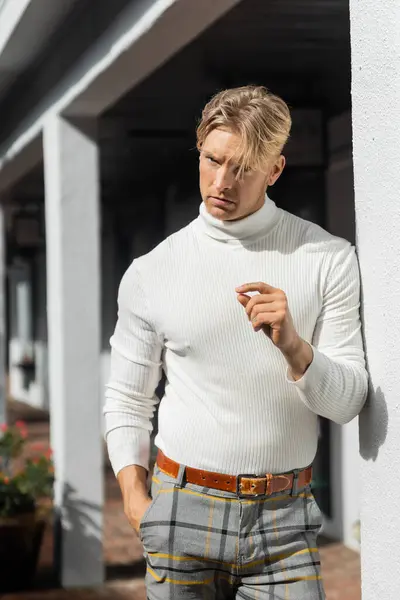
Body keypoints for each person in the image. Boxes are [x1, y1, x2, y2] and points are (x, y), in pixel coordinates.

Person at [104, 85, 368, 599]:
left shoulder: (326, 258)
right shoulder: (153, 270)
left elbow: (349, 402)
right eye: (212, 160)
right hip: (181, 509)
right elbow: (127, 400)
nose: (221, 182)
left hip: (286, 521)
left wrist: (294, 346)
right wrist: (140, 506)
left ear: (275, 170)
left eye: (243, 167)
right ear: (199, 150)